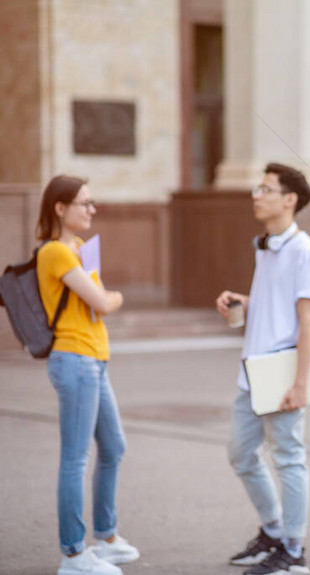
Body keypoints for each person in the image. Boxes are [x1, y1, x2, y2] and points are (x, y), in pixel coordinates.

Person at [216, 163, 310, 575]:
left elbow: (308, 319)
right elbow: (274, 304)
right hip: (252, 370)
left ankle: (293, 551)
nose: (256, 195)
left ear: (289, 199)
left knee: (289, 458)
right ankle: (274, 531)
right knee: (241, 454)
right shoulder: (265, 245)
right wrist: (241, 302)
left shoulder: (303, 250)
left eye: (265, 189)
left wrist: (301, 384)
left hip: (281, 370)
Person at [36, 176, 139, 575]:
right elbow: (102, 301)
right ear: (60, 208)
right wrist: (118, 297)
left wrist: (106, 299)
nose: (91, 210)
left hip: (94, 359)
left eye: (92, 202)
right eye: (84, 203)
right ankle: (74, 554)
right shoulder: (55, 253)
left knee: (113, 447)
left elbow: (95, 305)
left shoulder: (80, 249)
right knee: (75, 460)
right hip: (74, 360)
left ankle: (106, 537)